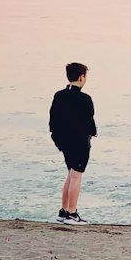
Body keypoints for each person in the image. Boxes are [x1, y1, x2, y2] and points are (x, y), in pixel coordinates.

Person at [49, 62, 96, 224]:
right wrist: (93, 133)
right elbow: (89, 122)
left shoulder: (59, 95)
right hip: (79, 141)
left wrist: (57, 139)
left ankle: (63, 212)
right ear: (82, 77)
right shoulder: (85, 99)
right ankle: (71, 213)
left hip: (63, 141)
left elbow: (53, 120)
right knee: (76, 176)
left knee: (70, 174)